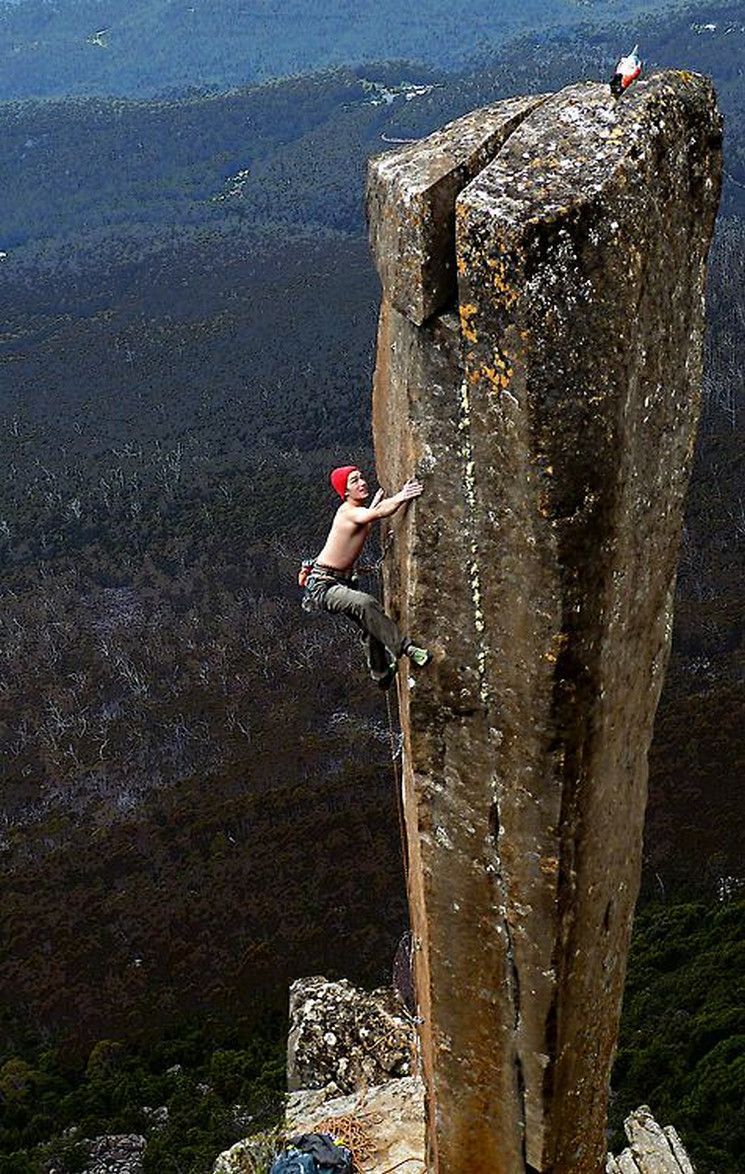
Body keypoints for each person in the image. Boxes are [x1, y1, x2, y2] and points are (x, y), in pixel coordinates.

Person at [301, 465, 431, 689]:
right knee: (365, 604)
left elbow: (369, 517)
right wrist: (402, 495)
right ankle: (406, 649)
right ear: (345, 492)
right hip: (323, 586)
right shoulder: (348, 512)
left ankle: (381, 674)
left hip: (336, 580)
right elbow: (377, 515)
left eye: (361, 477)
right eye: (354, 481)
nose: (362, 482)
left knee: (370, 626)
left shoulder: (357, 511)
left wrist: (375, 504)